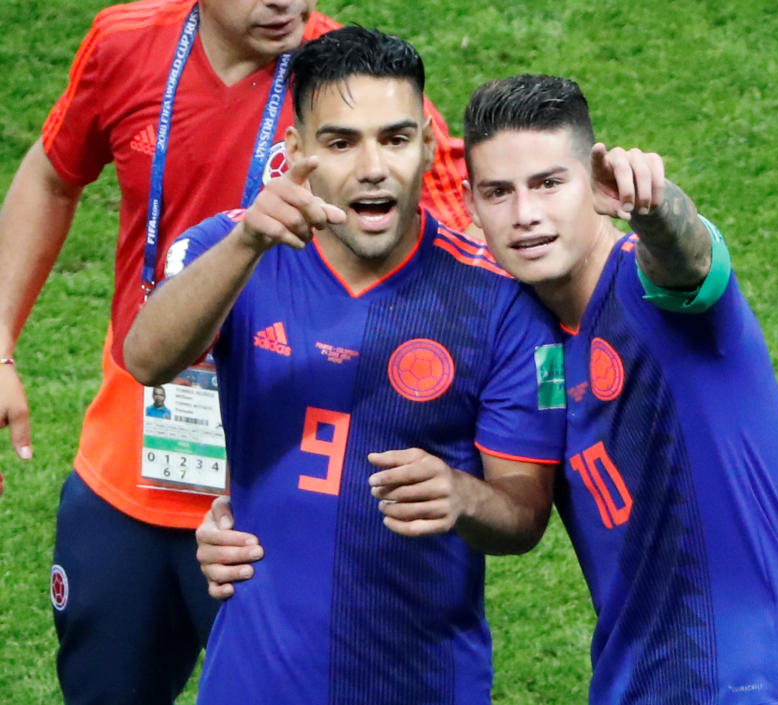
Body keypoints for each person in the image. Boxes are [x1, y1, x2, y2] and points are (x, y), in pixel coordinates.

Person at [199, 74, 778, 704]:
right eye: (498, 192)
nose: (525, 214)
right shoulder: (535, 346)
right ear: (470, 205)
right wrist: (241, 520)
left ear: (595, 183)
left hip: (748, 687)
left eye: (550, 184)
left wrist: (657, 209)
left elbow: (687, 257)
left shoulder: (656, 297)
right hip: (627, 686)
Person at [0, 1, 470, 703]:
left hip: (285, 492)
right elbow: (52, 171)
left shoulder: (357, 84)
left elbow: (459, 244)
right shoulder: (125, 44)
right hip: (128, 467)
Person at [124, 28, 564, 705]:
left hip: (420, 684)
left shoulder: (498, 300)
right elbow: (147, 358)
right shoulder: (232, 251)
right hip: (254, 681)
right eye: (340, 142)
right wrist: (247, 242)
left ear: (425, 143)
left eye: (393, 138)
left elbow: (524, 513)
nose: (372, 167)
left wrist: (463, 495)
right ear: (296, 153)